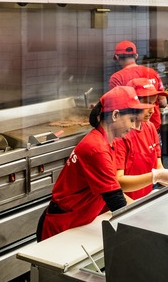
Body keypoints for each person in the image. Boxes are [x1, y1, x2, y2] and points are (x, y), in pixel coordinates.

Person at [36, 86, 153, 241]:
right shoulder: (96, 148)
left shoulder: (106, 142)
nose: (133, 126)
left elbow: (115, 190)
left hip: (80, 223)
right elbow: (116, 202)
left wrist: (144, 210)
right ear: (115, 115)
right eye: (131, 120)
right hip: (62, 227)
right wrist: (147, 227)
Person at [114, 78, 168, 200]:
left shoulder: (150, 127)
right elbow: (118, 183)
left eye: (153, 103)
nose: (152, 110)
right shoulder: (120, 135)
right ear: (132, 102)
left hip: (146, 197)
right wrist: (155, 176)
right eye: (146, 104)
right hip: (127, 203)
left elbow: (158, 166)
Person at [109, 40, 167, 132]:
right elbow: (163, 103)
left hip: (130, 130)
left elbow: (116, 108)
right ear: (136, 56)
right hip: (153, 127)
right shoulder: (152, 72)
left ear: (117, 57)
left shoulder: (117, 78)